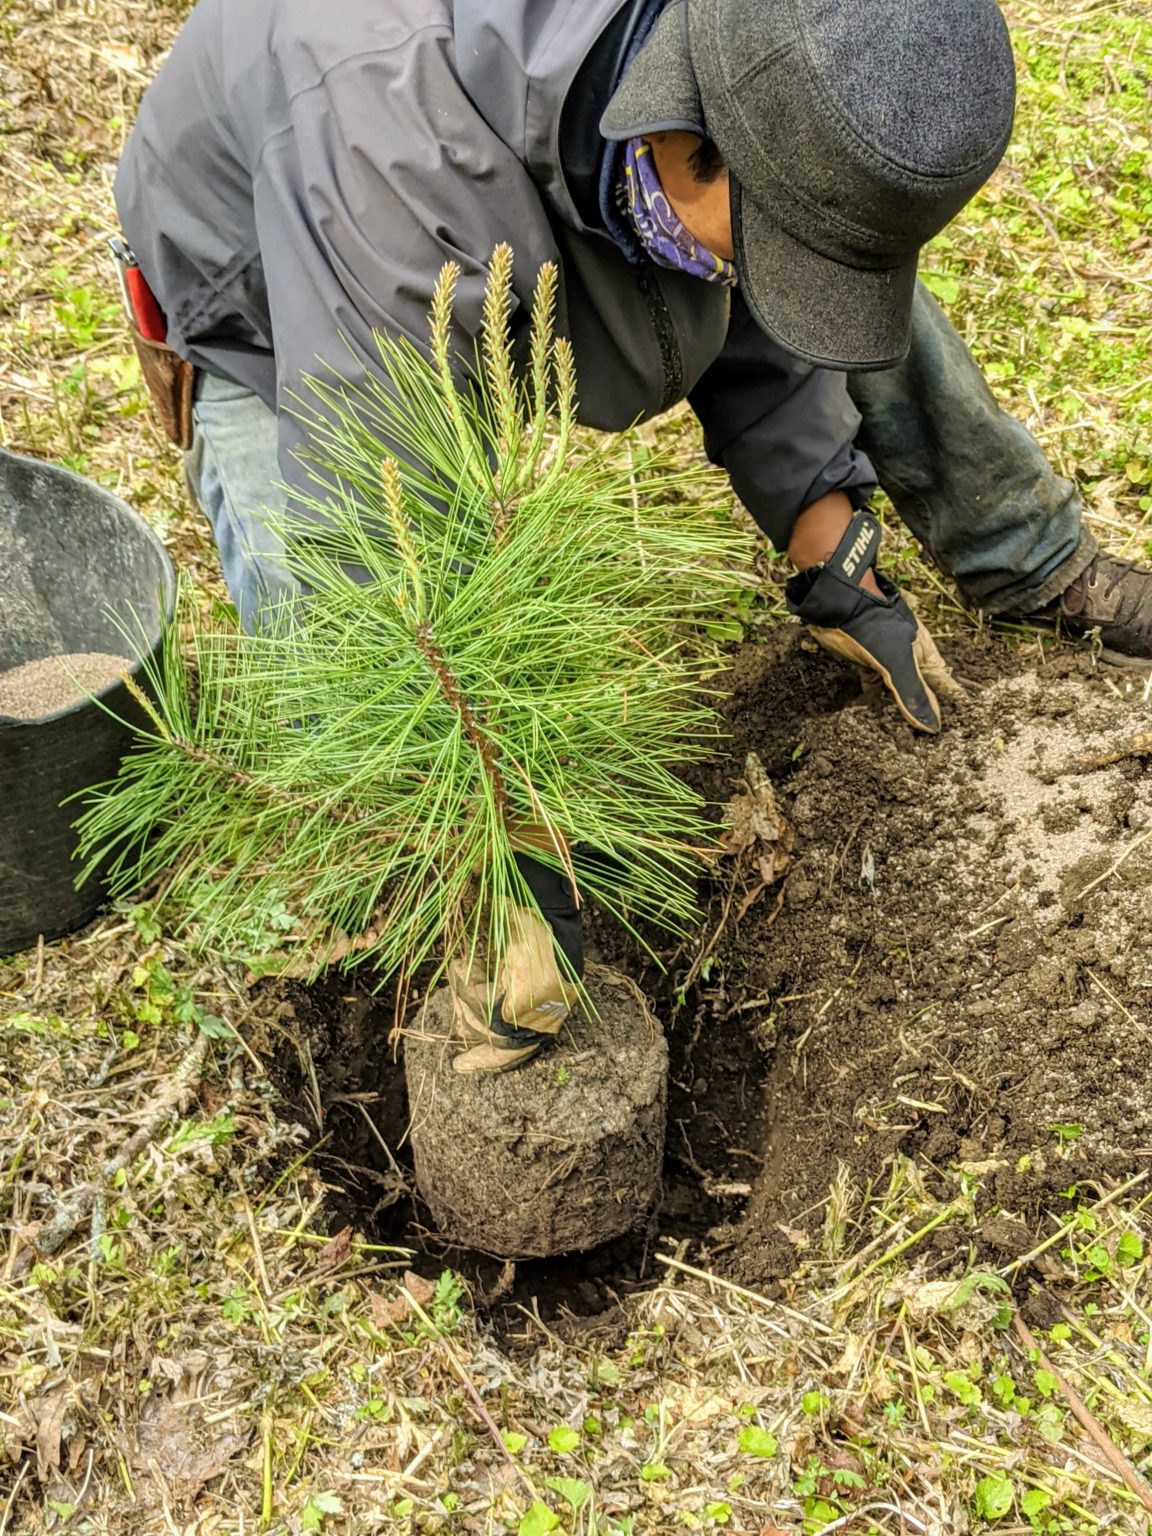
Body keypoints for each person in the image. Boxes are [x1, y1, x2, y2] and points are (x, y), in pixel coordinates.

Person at [114, 0, 1152, 1071]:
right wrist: (493, 836)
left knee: (795, 261)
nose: (757, 277)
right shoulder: (389, 163)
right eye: (764, 247)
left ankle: (1030, 562)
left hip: (547, 176)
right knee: (344, 691)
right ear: (676, 139)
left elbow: (766, 293)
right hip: (268, 310)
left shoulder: (744, 65)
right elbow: (379, 542)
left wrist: (828, 539)